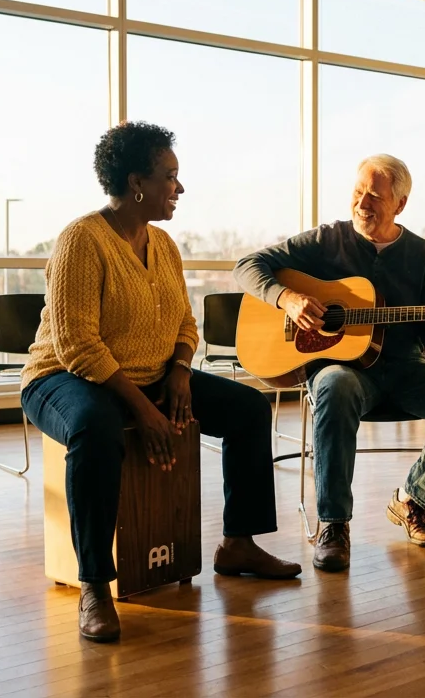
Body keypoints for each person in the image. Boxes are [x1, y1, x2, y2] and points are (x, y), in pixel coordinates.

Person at [22, 122, 301, 643]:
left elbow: (185, 324)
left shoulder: (165, 245)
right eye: (170, 176)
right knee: (96, 428)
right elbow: (77, 345)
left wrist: (179, 373)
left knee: (248, 409)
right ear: (136, 183)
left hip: (151, 375)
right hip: (63, 377)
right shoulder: (82, 240)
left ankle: (238, 544)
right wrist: (143, 408)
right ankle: (94, 586)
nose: (180, 187)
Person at [234, 154, 425, 573]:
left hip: (405, 369)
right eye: (358, 192)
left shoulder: (423, 255)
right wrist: (288, 298)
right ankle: (334, 524)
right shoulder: (325, 241)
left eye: (375, 196)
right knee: (335, 384)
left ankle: (413, 499)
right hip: (345, 371)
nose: (362, 203)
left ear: (400, 204)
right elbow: (247, 266)